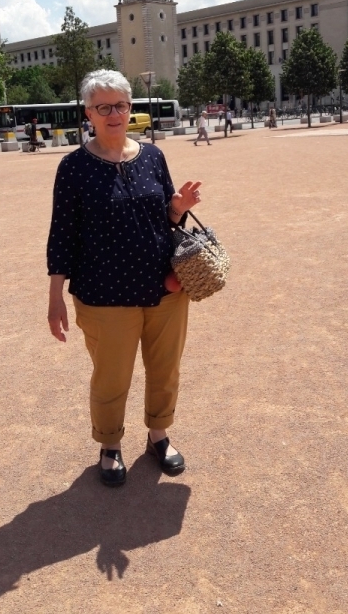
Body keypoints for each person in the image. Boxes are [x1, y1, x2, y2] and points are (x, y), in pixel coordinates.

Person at [47, 69, 202, 488]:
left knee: (165, 369)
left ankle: (159, 435)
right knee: (111, 377)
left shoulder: (153, 156)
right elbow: (62, 235)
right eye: (103, 107)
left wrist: (178, 207)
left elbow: (167, 220)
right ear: (88, 113)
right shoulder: (73, 167)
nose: (114, 114)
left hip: (164, 288)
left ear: (130, 108)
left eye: (120, 105)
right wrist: (55, 297)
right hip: (104, 294)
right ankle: (110, 444)